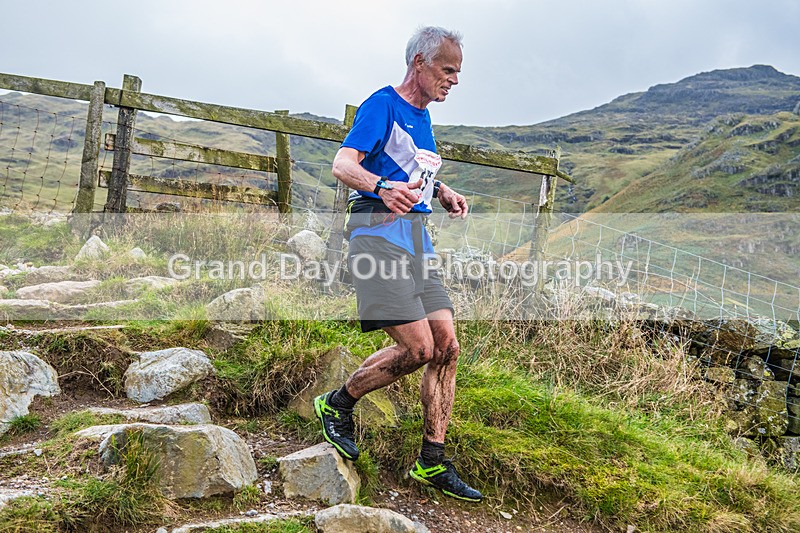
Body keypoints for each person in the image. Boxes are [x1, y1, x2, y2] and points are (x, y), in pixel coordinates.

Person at [313, 26, 482, 503]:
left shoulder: (423, 118)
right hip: (376, 238)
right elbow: (343, 165)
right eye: (448, 70)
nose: (454, 80)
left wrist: (442, 192)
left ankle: (432, 459)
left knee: (447, 347)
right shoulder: (381, 105)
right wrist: (380, 188)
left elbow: (413, 172)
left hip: (417, 241)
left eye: (458, 73)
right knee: (418, 349)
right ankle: (338, 403)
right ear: (419, 64)